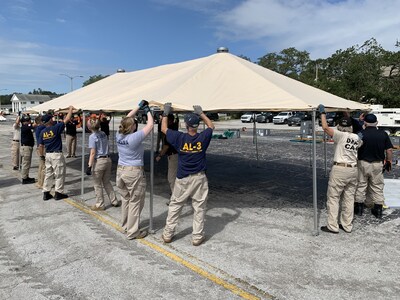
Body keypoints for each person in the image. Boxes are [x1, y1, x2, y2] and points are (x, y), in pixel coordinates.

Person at [161, 103, 214, 246]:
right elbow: (211, 126)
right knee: (199, 207)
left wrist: (165, 113)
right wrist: (202, 114)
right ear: (196, 126)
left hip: (183, 178)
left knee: (175, 205)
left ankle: (167, 234)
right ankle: (197, 237)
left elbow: (163, 129)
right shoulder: (203, 137)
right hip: (199, 178)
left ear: (186, 125)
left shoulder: (179, 138)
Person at [318, 104, 362, 234]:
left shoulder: (340, 135)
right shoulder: (357, 139)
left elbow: (325, 128)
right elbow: (359, 133)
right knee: (349, 198)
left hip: (340, 169)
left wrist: (322, 113)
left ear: (341, 127)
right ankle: (347, 225)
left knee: (333, 197)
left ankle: (332, 226)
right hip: (353, 170)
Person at [115, 100, 153, 240]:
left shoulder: (119, 135)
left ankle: (125, 226)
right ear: (132, 127)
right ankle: (132, 231)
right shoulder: (134, 137)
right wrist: (148, 111)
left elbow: (125, 119)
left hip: (121, 171)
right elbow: (150, 125)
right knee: (136, 202)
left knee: (126, 199)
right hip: (133, 172)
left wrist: (138, 107)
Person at [354, 113, 393, 218]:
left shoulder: (360, 134)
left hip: (362, 163)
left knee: (361, 185)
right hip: (377, 163)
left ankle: (359, 209)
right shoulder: (383, 134)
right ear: (376, 123)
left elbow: (355, 147)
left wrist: (361, 122)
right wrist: (388, 161)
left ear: (365, 122)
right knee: (377, 186)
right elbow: (389, 150)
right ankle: (378, 210)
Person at [38, 106, 74, 201]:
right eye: (52, 118)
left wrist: (42, 156)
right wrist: (70, 109)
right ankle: (58, 193)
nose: (53, 119)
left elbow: (40, 146)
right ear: (49, 121)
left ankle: (46, 192)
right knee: (59, 174)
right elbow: (67, 119)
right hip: (56, 154)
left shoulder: (42, 132)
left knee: (48, 174)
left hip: (48, 155)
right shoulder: (55, 128)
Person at [86, 117, 120, 211]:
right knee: (106, 182)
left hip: (99, 161)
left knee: (97, 184)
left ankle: (100, 204)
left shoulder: (92, 137)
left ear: (90, 127)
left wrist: (89, 165)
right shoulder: (103, 133)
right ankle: (114, 200)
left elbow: (93, 152)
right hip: (107, 159)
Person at [155, 114, 179, 202]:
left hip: (173, 155)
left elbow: (166, 146)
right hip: (175, 155)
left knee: (171, 178)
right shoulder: (173, 128)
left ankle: (175, 198)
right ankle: (175, 193)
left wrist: (159, 155)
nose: (162, 122)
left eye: (164, 120)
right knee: (175, 177)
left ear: (169, 121)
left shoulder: (170, 131)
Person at [20, 114, 36, 184]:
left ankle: (26, 176)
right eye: (28, 121)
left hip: (27, 147)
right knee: (26, 163)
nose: (29, 122)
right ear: (24, 122)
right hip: (26, 147)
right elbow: (33, 125)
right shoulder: (25, 127)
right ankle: (24, 178)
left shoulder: (26, 127)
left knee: (27, 163)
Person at [34, 115, 46, 188]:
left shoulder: (38, 128)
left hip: (39, 147)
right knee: (44, 167)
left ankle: (40, 182)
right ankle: (42, 183)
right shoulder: (42, 127)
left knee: (41, 166)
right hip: (42, 148)